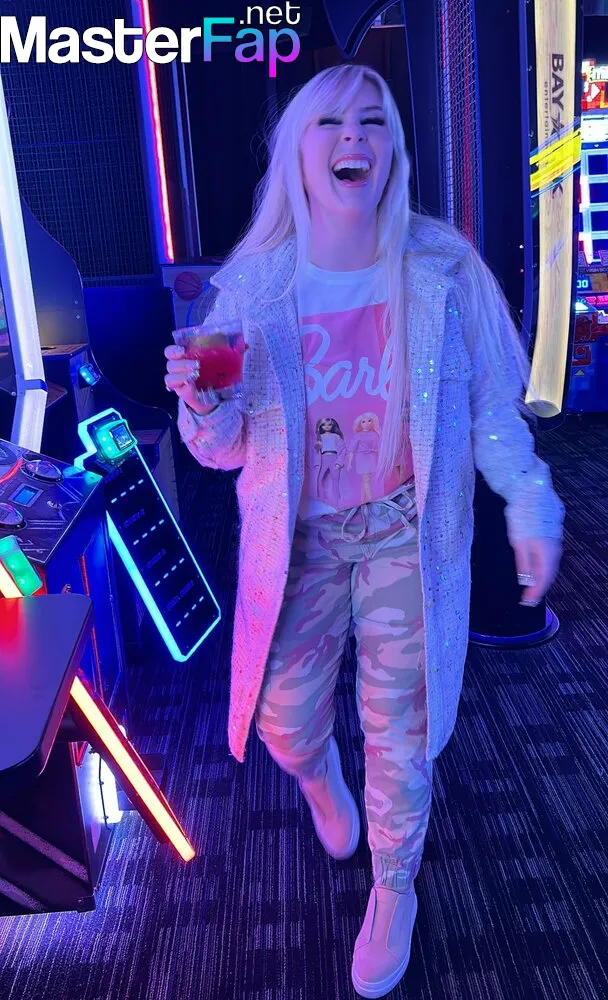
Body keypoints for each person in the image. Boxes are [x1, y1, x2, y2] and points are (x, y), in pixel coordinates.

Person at [164, 64, 564, 999]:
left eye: (374, 121)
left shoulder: (441, 269)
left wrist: (531, 502)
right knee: (281, 720)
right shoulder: (253, 289)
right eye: (331, 122)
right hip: (298, 544)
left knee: (401, 731)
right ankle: (318, 778)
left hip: (402, 536)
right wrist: (205, 406)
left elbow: (492, 408)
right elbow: (222, 451)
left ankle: (394, 885)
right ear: (297, 153)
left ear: (394, 149)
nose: (355, 137)